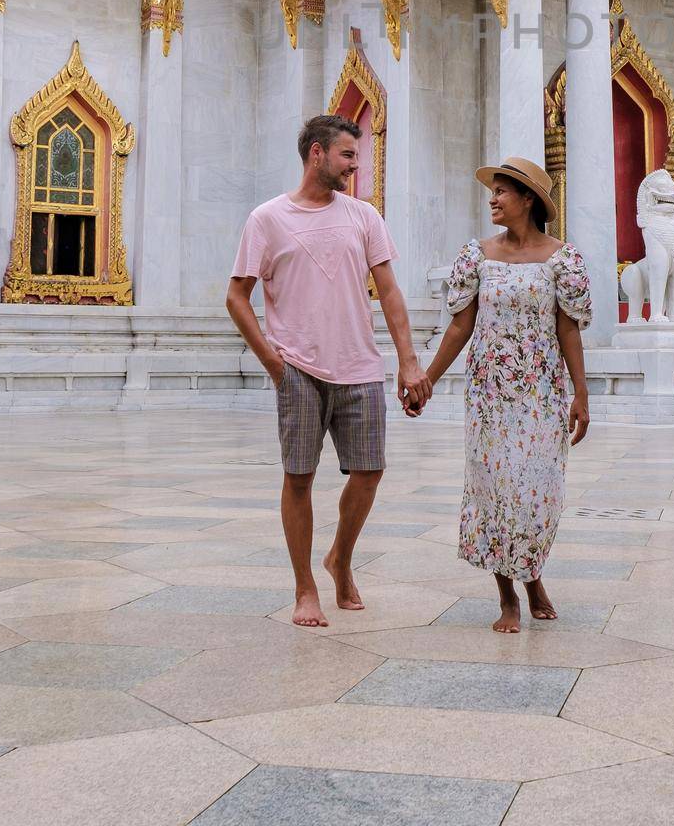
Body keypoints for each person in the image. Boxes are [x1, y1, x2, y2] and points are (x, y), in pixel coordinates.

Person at [226, 114, 431, 628]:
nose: (353, 167)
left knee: (369, 471)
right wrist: (272, 360)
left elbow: (388, 291)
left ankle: (340, 557)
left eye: (356, 157)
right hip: (298, 367)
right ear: (316, 153)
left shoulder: (363, 216)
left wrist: (408, 360)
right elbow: (236, 296)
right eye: (347, 156)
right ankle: (305, 588)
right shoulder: (267, 219)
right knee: (299, 477)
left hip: (360, 365)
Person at [418, 156, 591, 635]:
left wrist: (581, 393)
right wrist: (428, 378)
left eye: (502, 191)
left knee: (538, 491)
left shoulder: (563, 258)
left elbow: (568, 329)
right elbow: (460, 325)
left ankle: (533, 575)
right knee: (495, 489)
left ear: (528, 200)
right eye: (492, 191)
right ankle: (507, 596)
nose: (492, 199)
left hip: (541, 392)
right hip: (491, 393)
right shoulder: (477, 256)